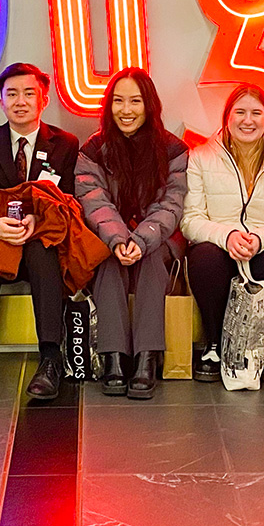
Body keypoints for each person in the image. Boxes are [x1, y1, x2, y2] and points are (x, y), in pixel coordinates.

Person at [0, 63, 80, 400]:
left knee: (43, 252)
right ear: (1, 102)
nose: (20, 101)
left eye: (29, 93)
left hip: (39, 238)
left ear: (44, 99)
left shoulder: (64, 144)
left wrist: (41, 220)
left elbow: (71, 200)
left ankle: (51, 358)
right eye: (12, 94)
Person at [181, 84, 264, 384]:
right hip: (220, 245)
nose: (247, 120)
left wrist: (261, 239)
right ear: (227, 117)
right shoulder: (201, 157)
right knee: (203, 258)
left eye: (256, 113)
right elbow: (190, 220)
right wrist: (226, 237)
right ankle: (214, 343)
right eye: (240, 112)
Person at [74, 68, 187, 400]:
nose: (126, 110)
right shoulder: (94, 150)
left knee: (151, 260)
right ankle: (114, 358)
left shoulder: (173, 150)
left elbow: (171, 203)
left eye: (135, 101)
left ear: (149, 105)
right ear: (109, 106)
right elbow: (94, 201)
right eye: (118, 101)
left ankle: (146, 358)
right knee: (108, 262)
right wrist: (120, 239)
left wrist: (141, 240)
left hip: (159, 238)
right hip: (112, 238)